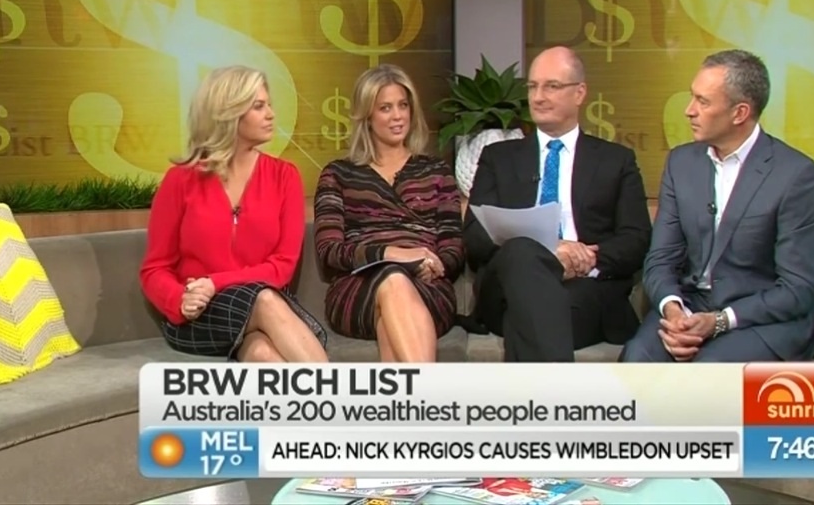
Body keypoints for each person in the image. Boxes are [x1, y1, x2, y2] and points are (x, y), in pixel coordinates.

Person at [619, 49, 814, 363]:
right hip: (692, 306)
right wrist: (674, 310)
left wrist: (719, 321)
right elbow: (661, 258)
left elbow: (799, 289)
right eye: (692, 97)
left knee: (708, 373)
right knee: (637, 357)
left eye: (703, 102)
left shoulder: (796, 176)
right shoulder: (681, 163)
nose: (689, 111)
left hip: (761, 318)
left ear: (739, 113)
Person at [462, 46, 652, 362]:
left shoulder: (616, 160)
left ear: (580, 93)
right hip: (506, 287)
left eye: (551, 86)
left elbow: (636, 239)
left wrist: (584, 258)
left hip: (584, 289)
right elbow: (475, 237)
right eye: (532, 86)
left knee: (536, 313)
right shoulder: (499, 158)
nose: (538, 97)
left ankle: (535, 393)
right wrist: (549, 251)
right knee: (523, 252)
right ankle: (556, 392)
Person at [139, 65, 330, 362]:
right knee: (264, 301)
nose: (271, 114)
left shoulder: (284, 177)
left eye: (269, 105)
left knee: (263, 352)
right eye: (259, 106)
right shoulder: (181, 180)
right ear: (229, 113)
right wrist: (181, 299)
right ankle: (338, 391)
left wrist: (216, 281)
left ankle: (324, 391)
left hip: (263, 306)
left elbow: (282, 267)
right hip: (201, 315)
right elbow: (154, 269)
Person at [313, 63, 465, 362]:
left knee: (391, 321)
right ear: (367, 116)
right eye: (385, 108)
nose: (398, 116)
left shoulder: (436, 170)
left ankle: (410, 393)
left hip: (427, 285)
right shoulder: (338, 174)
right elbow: (329, 250)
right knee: (394, 279)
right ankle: (429, 390)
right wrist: (391, 254)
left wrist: (434, 265)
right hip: (358, 288)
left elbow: (453, 247)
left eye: (403, 105)